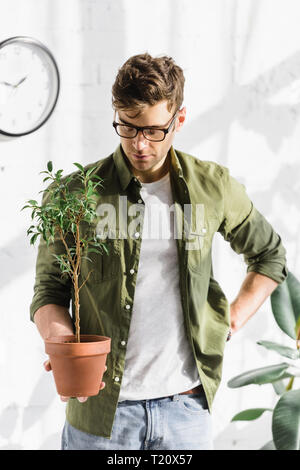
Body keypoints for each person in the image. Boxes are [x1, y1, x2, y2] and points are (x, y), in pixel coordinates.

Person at [30, 53, 288, 450]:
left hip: (184, 411)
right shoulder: (74, 195)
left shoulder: (212, 186)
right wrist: (62, 340)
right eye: (127, 127)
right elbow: (49, 290)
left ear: (178, 120)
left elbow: (269, 255)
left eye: (152, 130)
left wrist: (229, 321)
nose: (138, 144)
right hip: (100, 415)